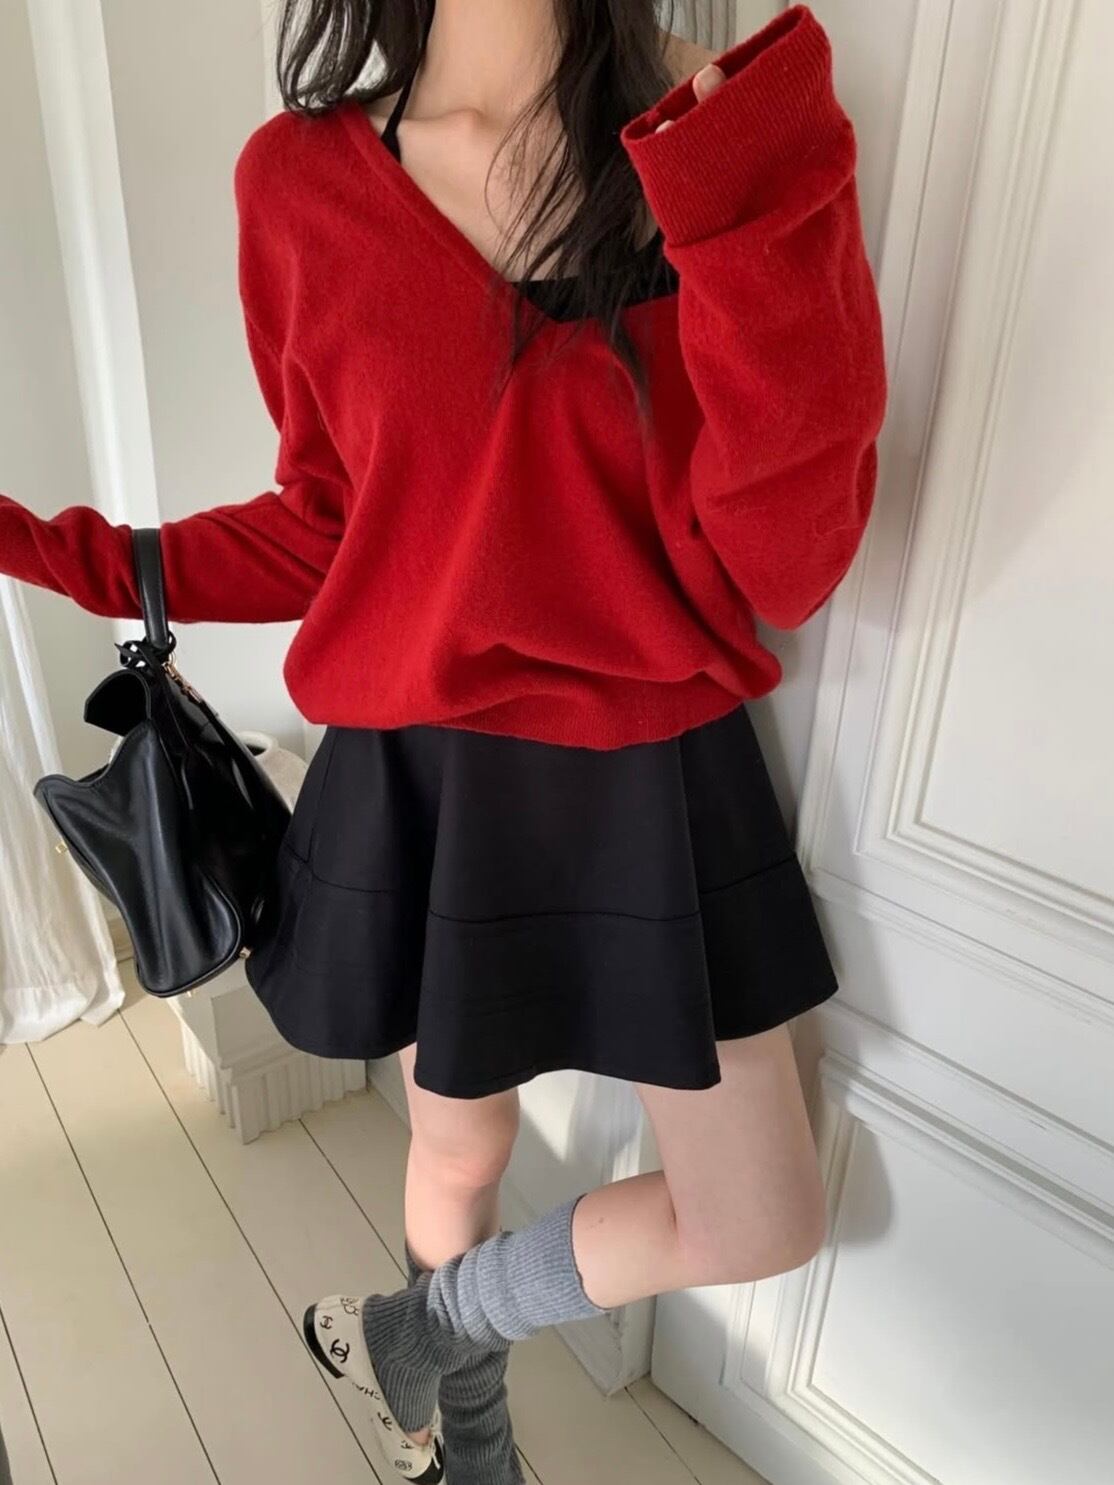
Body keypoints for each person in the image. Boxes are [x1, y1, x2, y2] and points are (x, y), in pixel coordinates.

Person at [0, 2, 887, 1481]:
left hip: (655, 770)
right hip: (428, 772)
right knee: (458, 1145)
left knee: (761, 1214)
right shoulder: (299, 182)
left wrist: (734, 153)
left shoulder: (722, 137)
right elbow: (331, 522)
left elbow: (788, 561)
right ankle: (464, 1442)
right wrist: (57, 552)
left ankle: (424, 1330)